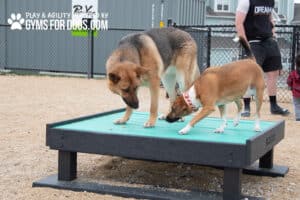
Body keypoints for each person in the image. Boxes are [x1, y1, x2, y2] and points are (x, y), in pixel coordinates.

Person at [235, 0, 289, 117]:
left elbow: (269, 18)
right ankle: (246, 107)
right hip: (253, 42)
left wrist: (273, 33)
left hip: (269, 41)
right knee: (249, 75)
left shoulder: (270, 1)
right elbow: (239, 23)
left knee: (273, 73)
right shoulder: (246, 1)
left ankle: (274, 106)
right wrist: (246, 46)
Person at [287, 55, 300, 121]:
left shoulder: (293, 73)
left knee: (297, 105)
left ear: (296, 63)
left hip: (296, 92)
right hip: (295, 92)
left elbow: (289, 81)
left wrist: (291, 86)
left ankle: (298, 117)